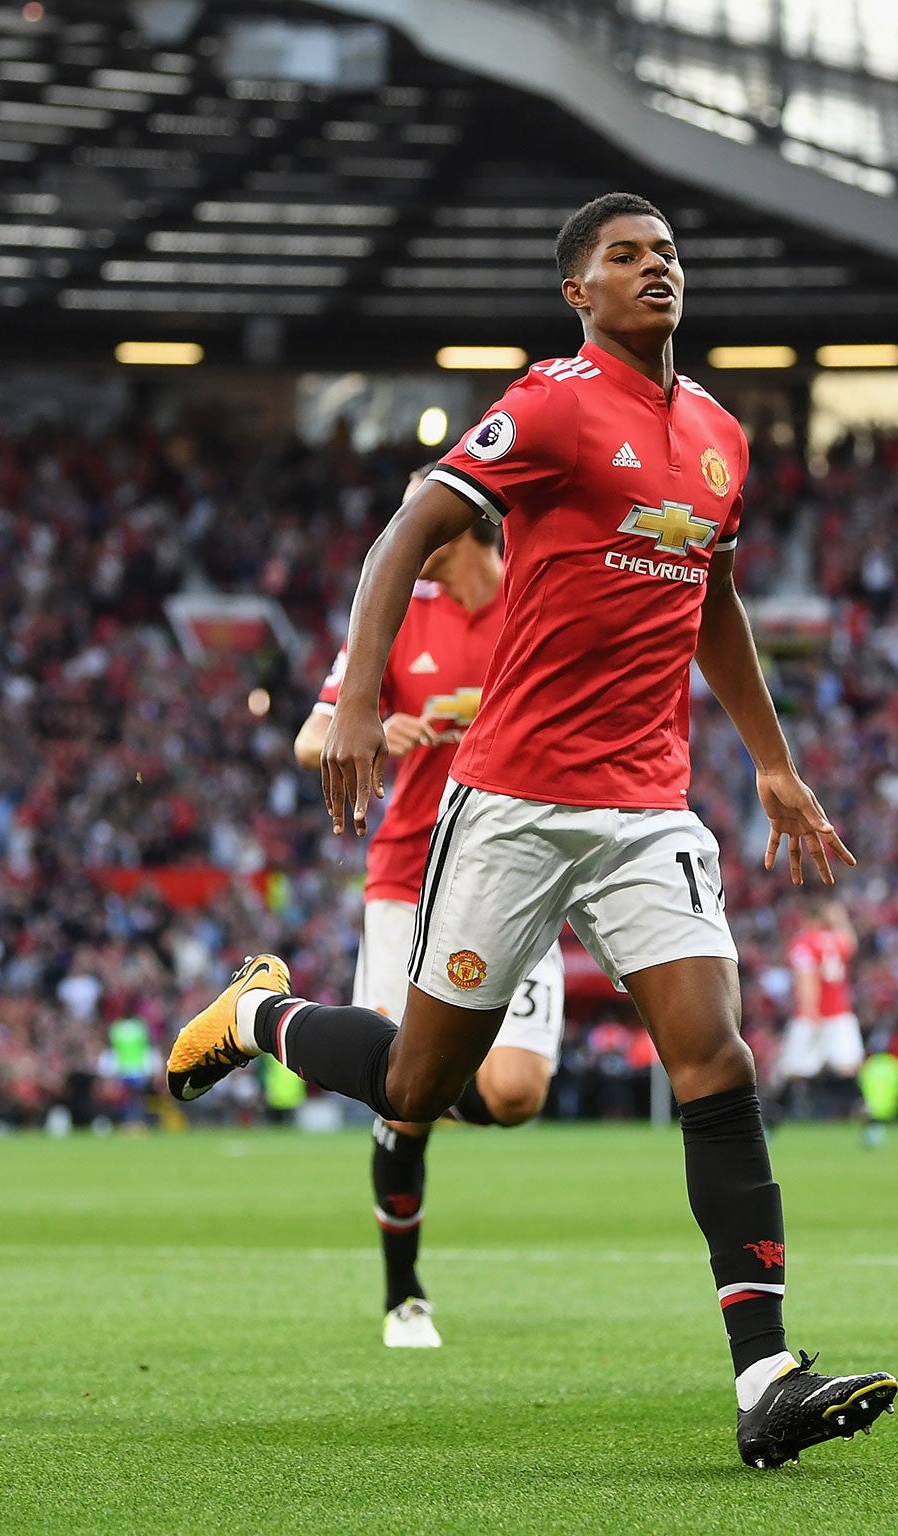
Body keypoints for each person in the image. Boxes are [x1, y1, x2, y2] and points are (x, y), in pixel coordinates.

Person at [167, 192, 897, 1466]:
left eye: (668, 251)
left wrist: (771, 764)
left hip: (647, 805)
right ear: (579, 291)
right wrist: (348, 700)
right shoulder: (552, 403)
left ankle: (765, 1376)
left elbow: (714, 603)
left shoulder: (720, 434)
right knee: (417, 1086)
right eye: (627, 257)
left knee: (715, 1061)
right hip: (510, 801)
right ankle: (254, 1017)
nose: (656, 268)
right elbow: (408, 530)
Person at [292, 479, 566, 1349]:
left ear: (466, 528)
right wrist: (366, 729)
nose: (405, 529)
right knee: (406, 1097)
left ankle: (406, 1072)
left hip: (523, 875)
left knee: (517, 1095)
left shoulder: (539, 595)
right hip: (409, 875)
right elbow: (312, 735)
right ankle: (404, 1296)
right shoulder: (399, 609)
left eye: (422, 516)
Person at [779, 899, 863, 1115]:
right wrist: (841, 919)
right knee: (848, 1069)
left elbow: (806, 977)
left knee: (792, 1070)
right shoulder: (836, 940)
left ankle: (770, 1122)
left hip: (813, 1014)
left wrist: (810, 1009)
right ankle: (870, 1124)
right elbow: (851, 944)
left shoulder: (803, 943)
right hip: (841, 1014)